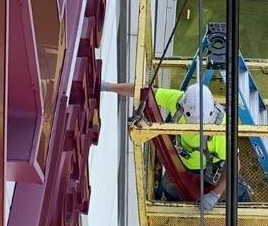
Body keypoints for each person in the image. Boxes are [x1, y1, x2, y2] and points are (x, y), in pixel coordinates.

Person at [102, 80, 250, 211]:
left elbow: (234, 165)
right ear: (184, 106)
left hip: (211, 170)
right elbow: (143, 91)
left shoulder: (221, 131)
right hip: (182, 163)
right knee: (168, 188)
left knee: (238, 190)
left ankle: (245, 216)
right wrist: (108, 87)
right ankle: (175, 216)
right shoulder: (177, 100)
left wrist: (215, 194)